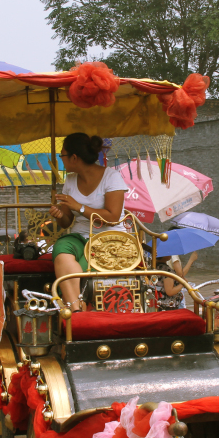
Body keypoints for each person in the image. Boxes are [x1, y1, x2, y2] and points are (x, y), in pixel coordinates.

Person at [48, 133, 128, 311]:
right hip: (79, 236)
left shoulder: (111, 177)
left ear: (74, 158)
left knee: (86, 260)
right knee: (61, 250)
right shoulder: (70, 180)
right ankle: (76, 309)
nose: (61, 160)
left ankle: (80, 306)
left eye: (62, 155)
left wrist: (79, 207)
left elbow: (113, 218)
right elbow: (67, 222)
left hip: (109, 237)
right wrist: (60, 215)